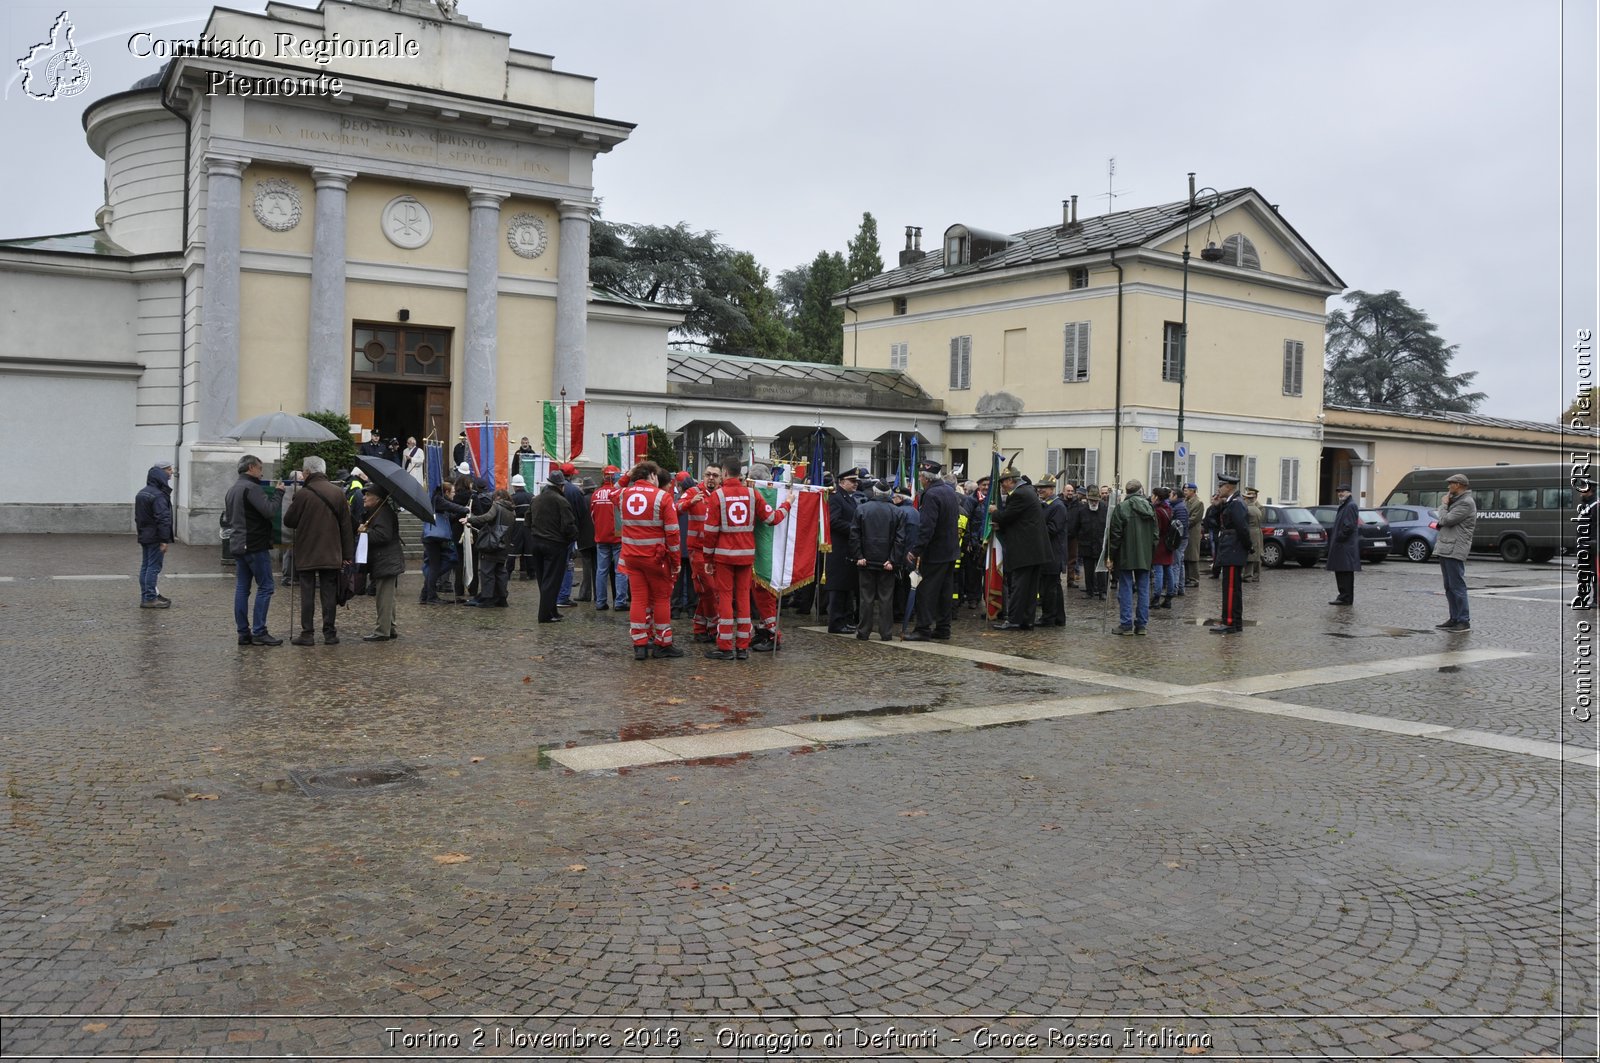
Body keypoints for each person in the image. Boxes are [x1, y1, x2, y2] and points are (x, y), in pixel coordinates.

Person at [701, 458, 792, 660]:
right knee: (743, 598)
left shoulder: (718, 496)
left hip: (724, 556)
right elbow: (772, 519)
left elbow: (710, 532)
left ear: (724, 473)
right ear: (740, 474)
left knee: (725, 598)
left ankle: (725, 646)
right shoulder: (753, 494)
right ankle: (742, 646)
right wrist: (788, 503)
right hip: (746, 555)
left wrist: (707, 558)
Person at [281, 456, 354, 645]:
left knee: (307, 593)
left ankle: (307, 634)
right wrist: (347, 555)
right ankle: (330, 633)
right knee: (329, 592)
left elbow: (289, 521)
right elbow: (346, 526)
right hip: (331, 552)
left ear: (306, 472)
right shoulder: (338, 493)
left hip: (307, 551)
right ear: (323, 470)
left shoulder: (303, 494)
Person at [619, 460, 683, 658]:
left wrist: (625, 477)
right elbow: (672, 533)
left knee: (638, 598)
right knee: (662, 598)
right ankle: (663, 643)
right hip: (655, 558)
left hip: (631, 557)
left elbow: (612, 490)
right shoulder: (662, 497)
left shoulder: (623, 495)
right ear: (653, 476)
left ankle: (639, 643)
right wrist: (676, 561)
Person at [224, 455, 280, 644]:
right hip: (255, 544)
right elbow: (270, 511)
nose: (261, 472)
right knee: (266, 587)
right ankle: (259, 631)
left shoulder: (233, 489)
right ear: (250, 468)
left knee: (242, 588)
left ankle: (243, 632)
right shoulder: (252, 488)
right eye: (259, 468)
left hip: (239, 543)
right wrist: (279, 493)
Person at [905, 460, 960, 641]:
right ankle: (943, 627)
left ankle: (923, 629)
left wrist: (916, 549)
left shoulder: (930, 495)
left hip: (935, 552)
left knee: (926, 591)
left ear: (924, 478)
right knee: (945, 591)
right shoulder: (950, 492)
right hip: (950, 550)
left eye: (920, 476)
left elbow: (927, 526)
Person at [989, 468, 1048, 631]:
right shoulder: (1028, 491)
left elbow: (1007, 516)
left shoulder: (1019, 494)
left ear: (1010, 481)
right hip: (1034, 550)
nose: (1002, 485)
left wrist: (995, 512)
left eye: (1003, 482)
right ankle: (1026, 620)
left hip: (1025, 550)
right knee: (1030, 588)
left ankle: (1014, 619)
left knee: (1020, 587)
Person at [850, 478, 906, 641]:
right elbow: (900, 539)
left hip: (866, 560)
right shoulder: (897, 511)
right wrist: (892, 560)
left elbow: (854, 535)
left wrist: (859, 556)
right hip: (886, 562)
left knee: (866, 598)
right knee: (886, 598)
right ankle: (886, 633)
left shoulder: (862, 509)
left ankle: (863, 631)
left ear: (874, 493)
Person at [526, 470, 578, 623]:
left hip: (536, 542)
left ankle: (551, 610)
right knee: (553, 580)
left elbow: (527, 521)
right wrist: (573, 538)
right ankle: (545, 615)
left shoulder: (536, 499)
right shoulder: (561, 501)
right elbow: (568, 525)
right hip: (554, 545)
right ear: (561, 486)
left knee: (543, 580)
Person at [1106, 479, 1156, 635]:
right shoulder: (1149, 507)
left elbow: (1115, 535)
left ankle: (1126, 624)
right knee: (1143, 590)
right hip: (1145, 555)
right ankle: (1141, 625)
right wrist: (1150, 553)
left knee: (1126, 589)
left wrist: (1110, 557)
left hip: (1126, 554)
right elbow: (1156, 535)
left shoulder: (1122, 508)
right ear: (1140, 490)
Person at [677, 466, 721, 640]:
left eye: (715, 475)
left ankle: (699, 627)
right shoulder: (693, 491)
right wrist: (691, 502)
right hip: (698, 550)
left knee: (708, 590)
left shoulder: (722, 494)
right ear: (703, 476)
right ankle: (714, 624)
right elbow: (676, 508)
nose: (711, 478)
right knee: (708, 588)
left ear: (720, 478)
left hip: (717, 551)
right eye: (708, 475)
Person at [1205, 473, 1250, 634]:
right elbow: (1213, 522)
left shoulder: (1236, 503)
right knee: (1232, 588)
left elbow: (1242, 528)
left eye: (1221, 486)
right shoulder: (1230, 503)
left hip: (1233, 548)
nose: (1218, 489)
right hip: (1231, 548)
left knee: (1230, 588)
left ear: (1229, 487)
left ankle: (1230, 622)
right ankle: (1234, 622)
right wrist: (1216, 506)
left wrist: (1247, 546)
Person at [358, 485, 404, 641]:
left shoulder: (382, 512)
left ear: (377, 498)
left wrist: (366, 531)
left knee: (383, 596)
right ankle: (389, 627)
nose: (364, 497)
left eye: (368, 494)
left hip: (386, 560)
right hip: (385, 559)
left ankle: (382, 631)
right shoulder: (379, 512)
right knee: (387, 596)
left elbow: (383, 535)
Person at [1435, 472, 1478, 631]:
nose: (1448, 487)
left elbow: (1445, 520)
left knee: (1457, 586)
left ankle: (1463, 620)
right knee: (1449, 586)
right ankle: (1454, 618)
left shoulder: (1466, 503)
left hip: (1455, 548)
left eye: (1451, 483)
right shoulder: (1458, 501)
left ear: (1458, 485)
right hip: (1447, 547)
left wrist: (1444, 505)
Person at [464, 487, 516, 608]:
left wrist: (470, 519)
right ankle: (502, 598)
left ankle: (488, 598)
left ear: (497, 497)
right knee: (500, 572)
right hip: (504, 545)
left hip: (492, 543)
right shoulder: (512, 510)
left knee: (487, 572)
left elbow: (488, 517)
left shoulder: (497, 505)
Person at [134, 462, 175, 609]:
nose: (171, 472)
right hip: (155, 536)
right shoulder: (158, 495)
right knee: (153, 568)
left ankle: (147, 595)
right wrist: (164, 540)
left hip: (145, 534)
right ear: (160, 474)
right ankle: (150, 597)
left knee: (146, 566)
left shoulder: (142, 492)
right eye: (168, 470)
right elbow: (163, 518)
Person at [826, 468, 862, 634]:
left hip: (848, 548)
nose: (855, 484)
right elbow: (833, 521)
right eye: (852, 481)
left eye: (856, 482)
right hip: (839, 548)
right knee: (838, 587)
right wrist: (854, 529)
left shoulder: (850, 498)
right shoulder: (836, 498)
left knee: (847, 586)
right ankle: (835, 622)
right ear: (841, 482)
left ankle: (846, 620)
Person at [422, 477, 468, 605]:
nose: (454, 494)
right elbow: (451, 506)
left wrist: (460, 516)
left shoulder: (437, 500)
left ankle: (425, 594)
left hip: (433, 537)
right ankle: (430, 596)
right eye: (452, 492)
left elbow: (450, 515)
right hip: (433, 538)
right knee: (435, 566)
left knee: (434, 567)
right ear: (446, 492)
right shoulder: (438, 499)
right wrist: (465, 509)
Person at [590, 465, 628, 610]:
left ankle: (600, 602)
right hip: (618, 538)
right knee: (620, 571)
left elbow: (593, 516)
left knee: (601, 571)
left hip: (601, 537)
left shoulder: (596, 494)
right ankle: (620, 602)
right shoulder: (619, 493)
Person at [1037, 475, 1069, 626]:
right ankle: (1057, 618)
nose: (1040, 490)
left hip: (1053, 553)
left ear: (1052, 489)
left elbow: (1053, 529)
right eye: (1039, 487)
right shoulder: (1047, 505)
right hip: (1047, 552)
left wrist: (1034, 529)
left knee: (1049, 588)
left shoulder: (1057, 506)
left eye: (1043, 487)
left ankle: (1049, 617)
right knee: (1052, 587)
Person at [1069, 487, 1108, 599]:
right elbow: (1075, 527)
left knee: (1101, 571)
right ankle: (1089, 591)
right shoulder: (1082, 510)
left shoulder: (1104, 509)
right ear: (1088, 499)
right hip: (1086, 545)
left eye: (1096, 500)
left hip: (1100, 544)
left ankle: (1102, 592)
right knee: (1088, 570)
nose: (1094, 503)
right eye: (1092, 500)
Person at [1325, 483, 1361, 605]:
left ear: (1349, 492)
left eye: (1343, 491)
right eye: (1339, 491)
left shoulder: (1350, 506)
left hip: (1345, 545)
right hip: (1343, 545)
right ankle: (1344, 596)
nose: (1340, 493)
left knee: (1344, 572)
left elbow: (1349, 526)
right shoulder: (1345, 505)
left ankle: (1345, 597)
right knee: (1341, 571)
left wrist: (1340, 537)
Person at [1575, 477, 1599, 610]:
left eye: (1583, 488)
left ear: (1590, 490)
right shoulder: (1585, 505)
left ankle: (1597, 600)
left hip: (1593, 546)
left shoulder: (1597, 505)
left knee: (1595, 575)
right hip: (1583, 545)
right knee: (1583, 575)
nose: (1580, 491)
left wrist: (1595, 542)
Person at [1150, 486, 1176, 608]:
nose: (1151, 497)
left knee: (1159, 572)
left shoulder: (1157, 511)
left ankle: (1156, 598)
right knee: (1168, 570)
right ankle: (1169, 597)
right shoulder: (1169, 508)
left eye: (1153, 495)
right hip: (1168, 543)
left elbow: (1157, 530)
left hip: (1160, 543)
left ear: (1157, 497)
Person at [506, 473, 535, 580]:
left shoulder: (512, 498)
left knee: (513, 549)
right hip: (529, 525)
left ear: (514, 486)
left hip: (516, 525)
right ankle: (531, 573)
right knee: (529, 549)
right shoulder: (531, 496)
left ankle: (508, 572)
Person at [1182, 483, 1205, 588]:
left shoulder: (1198, 503)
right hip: (1186, 531)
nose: (1184, 492)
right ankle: (1187, 577)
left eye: (1187, 490)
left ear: (1193, 491)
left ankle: (1194, 579)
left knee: (1193, 555)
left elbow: (1194, 519)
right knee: (1186, 555)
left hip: (1192, 532)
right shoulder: (1185, 501)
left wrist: (1182, 523)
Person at [1242, 486, 1265, 581]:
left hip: (1255, 531)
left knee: (1256, 554)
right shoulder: (1254, 508)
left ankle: (1254, 575)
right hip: (1255, 531)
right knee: (1254, 554)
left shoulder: (1259, 507)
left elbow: (1261, 520)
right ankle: (1252, 575)